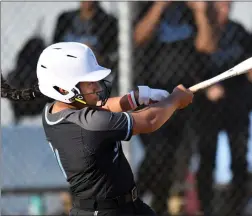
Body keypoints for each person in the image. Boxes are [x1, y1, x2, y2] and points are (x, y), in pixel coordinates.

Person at [36, 42, 193, 216]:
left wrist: (135, 98)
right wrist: (175, 100)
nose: (97, 87)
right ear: (63, 89)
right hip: (104, 211)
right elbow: (150, 120)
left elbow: (98, 107)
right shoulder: (89, 125)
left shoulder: (55, 111)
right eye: (90, 83)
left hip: (127, 206)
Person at [132, 1, 216, 214]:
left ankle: (158, 206)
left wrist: (199, 12)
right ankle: (131, 199)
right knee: (157, 152)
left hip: (183, 95)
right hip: (151, 94)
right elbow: (138, 37)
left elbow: (206, 46)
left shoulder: (192, 9)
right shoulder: (147, 5)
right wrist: (160, 5)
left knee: (170, 158)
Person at [192, 2, 252, 216]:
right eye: (219, 5)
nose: (223, 10)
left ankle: (236, 208)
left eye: (227, 5)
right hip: (208, 105)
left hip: (236, 102)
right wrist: (205, 88)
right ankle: (205, 208)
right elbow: (192, 63)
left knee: (240, 157)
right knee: (208, 158)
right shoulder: (200, 28)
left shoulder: (238, 32)